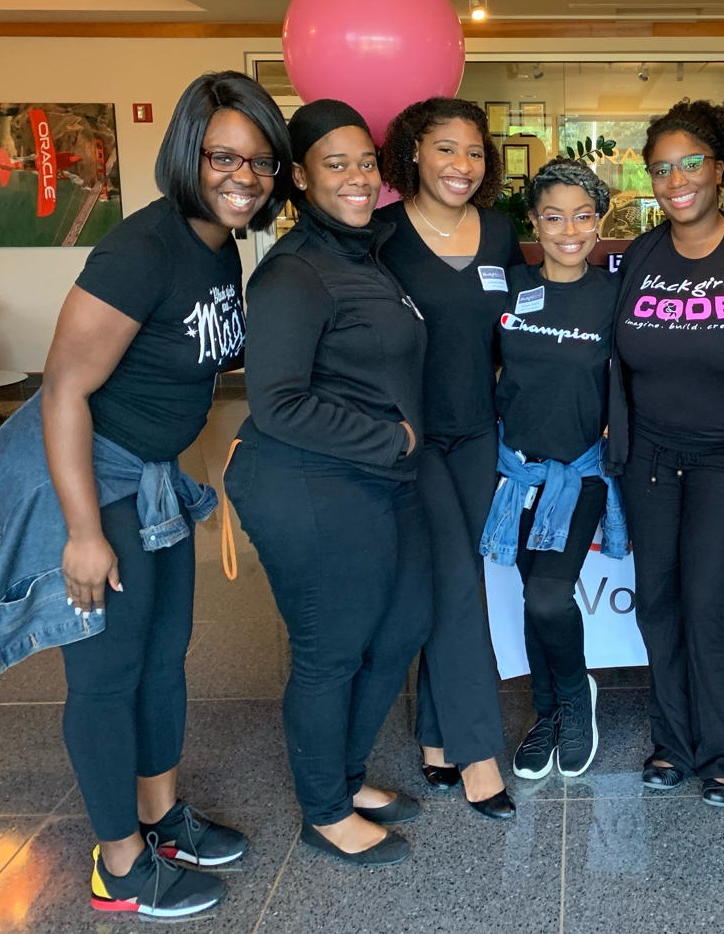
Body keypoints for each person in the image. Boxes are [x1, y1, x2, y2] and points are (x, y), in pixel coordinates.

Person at [0, 71, 289, 918]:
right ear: (186, 153)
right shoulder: (143, 247)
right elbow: (61, 390)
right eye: (224, 157)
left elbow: (184, 368)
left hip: (151, 478)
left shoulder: (216, 242)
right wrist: (83, 533)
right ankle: (118, 862)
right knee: (107, 672)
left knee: (164, 656)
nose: (245, 177)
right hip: (86, 477)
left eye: (262, 162)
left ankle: (161, 818)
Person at [225, 99, 430, 866]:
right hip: (309, 481)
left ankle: (345, 774)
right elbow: (276, 403)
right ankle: (323, 810)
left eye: (365, 161)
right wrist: (391, 436)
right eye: (334, 164)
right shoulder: (294, 271)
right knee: (331, 648)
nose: (356, 177)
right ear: (301, 177)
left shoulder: (361, 251)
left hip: (379, 477)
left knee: (403, 622)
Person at [605, 99, 724, 807]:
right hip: (649, 453)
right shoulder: (642, 254)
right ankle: (672, 744)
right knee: (658, 601)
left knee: (709, 601)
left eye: (689, 163)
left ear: (720, 169)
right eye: (659, 169)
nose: (674, 180)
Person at [376, 98, 520, 819]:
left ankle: (435, 735)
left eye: (473, 150)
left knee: (451, 580)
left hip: (479, 433)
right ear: (412, 154)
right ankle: (478, 752)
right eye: (445, 149)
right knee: (460, 585)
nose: (462, 165)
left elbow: (511, 332)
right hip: (410, 438)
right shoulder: (380, 235)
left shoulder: (498, 232)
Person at [478, 160, 626, 781]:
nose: (570, 229)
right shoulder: (505, 288)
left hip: (581, 473)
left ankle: (573, 699)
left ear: (601, 220)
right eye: (554, 216)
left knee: (546, 594)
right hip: (515, 473)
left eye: (584, 215)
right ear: (534, 221)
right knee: (535, 597)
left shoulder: (617, 296)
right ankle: (546, 712)